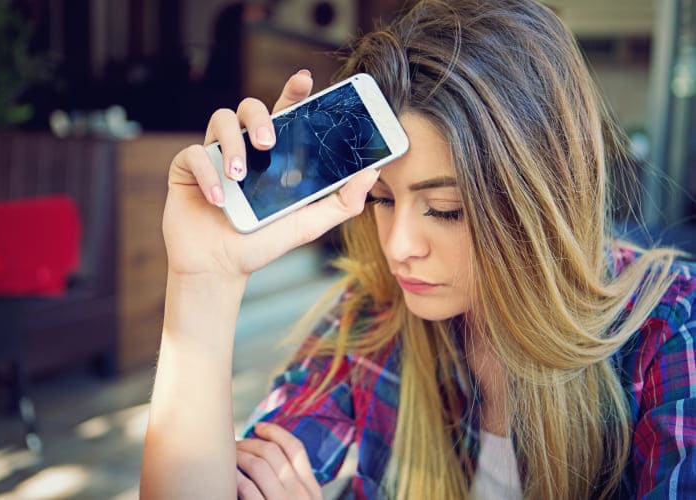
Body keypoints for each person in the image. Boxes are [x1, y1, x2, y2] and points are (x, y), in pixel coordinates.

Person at [139, 0, 696, 498]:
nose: (398, 247)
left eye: (447, 209)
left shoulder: (668, 331)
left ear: (541, 200)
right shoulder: (373, 317)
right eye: (381, 199)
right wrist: (201, 282)